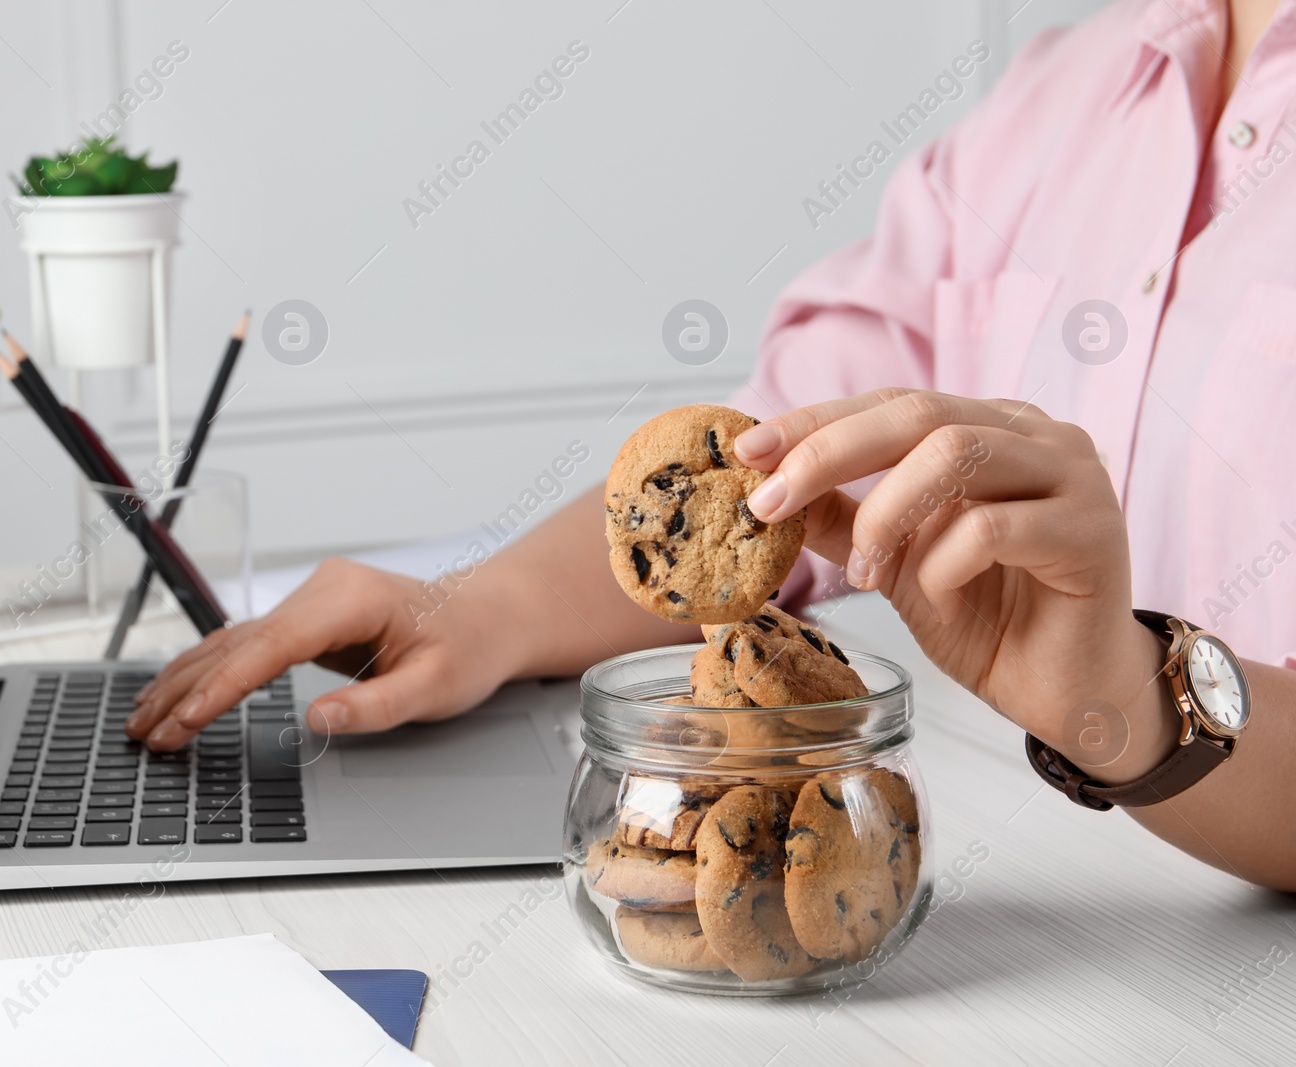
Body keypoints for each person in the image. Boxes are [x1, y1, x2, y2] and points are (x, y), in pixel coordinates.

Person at [129, 0, 1296, 890]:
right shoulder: (1059, 94)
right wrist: (475, 613)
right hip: (1015, 901)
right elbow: (758, 483)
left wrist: (1131, 705)